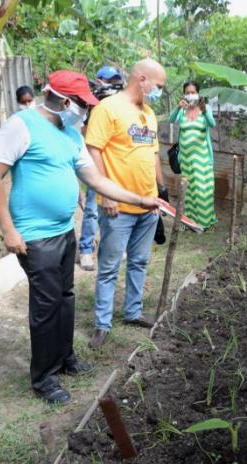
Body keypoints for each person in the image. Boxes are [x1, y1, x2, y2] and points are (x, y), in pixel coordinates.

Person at [0, 70, 161, 405]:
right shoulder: (20, 125)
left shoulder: (70, 133)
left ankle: (65, 359)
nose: (85, 110)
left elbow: (94, 178)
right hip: (35, 236)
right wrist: (8, 229)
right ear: (64, 100)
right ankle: (44, 378)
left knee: (65, 298)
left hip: (65, 231)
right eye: (82, 104)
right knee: (46, 306)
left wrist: (139, 199)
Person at [85, 58, 167, 349]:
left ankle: (133, 311)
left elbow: (153, 153)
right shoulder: (108, 109)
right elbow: (93, 150)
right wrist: (106, 194)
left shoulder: (149, 113)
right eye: (158, 86)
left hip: (148, 204)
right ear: (142, 79)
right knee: (108, 266)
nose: (159, 91)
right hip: (118, 206)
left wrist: (162, 187)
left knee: (140, 261)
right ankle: (102, 324)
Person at [78, 66, 125, 271]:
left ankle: (112, 246)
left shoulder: (120, 108)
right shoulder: (90, 108)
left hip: (116, 167)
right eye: (108, 80)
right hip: (95, 167)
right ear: (99, 81)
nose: (112, 84)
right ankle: (86, 250)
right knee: (92, 210)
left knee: (116, 209)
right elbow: (85, 135)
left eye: (115, 80)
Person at [169, 80, 217, 229]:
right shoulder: (182, 110)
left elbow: (212, 124)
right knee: (187, 191)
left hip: (202, 158)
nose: (190, 95)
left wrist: (203, 110)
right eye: (187, 92)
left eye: (193, 92)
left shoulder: (205, 108)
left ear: (198, 93)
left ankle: (203, 222)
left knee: (202, 190)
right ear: (184, 94)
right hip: (186, 158)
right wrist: (178, 107)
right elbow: (171, 120)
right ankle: (189, 221)